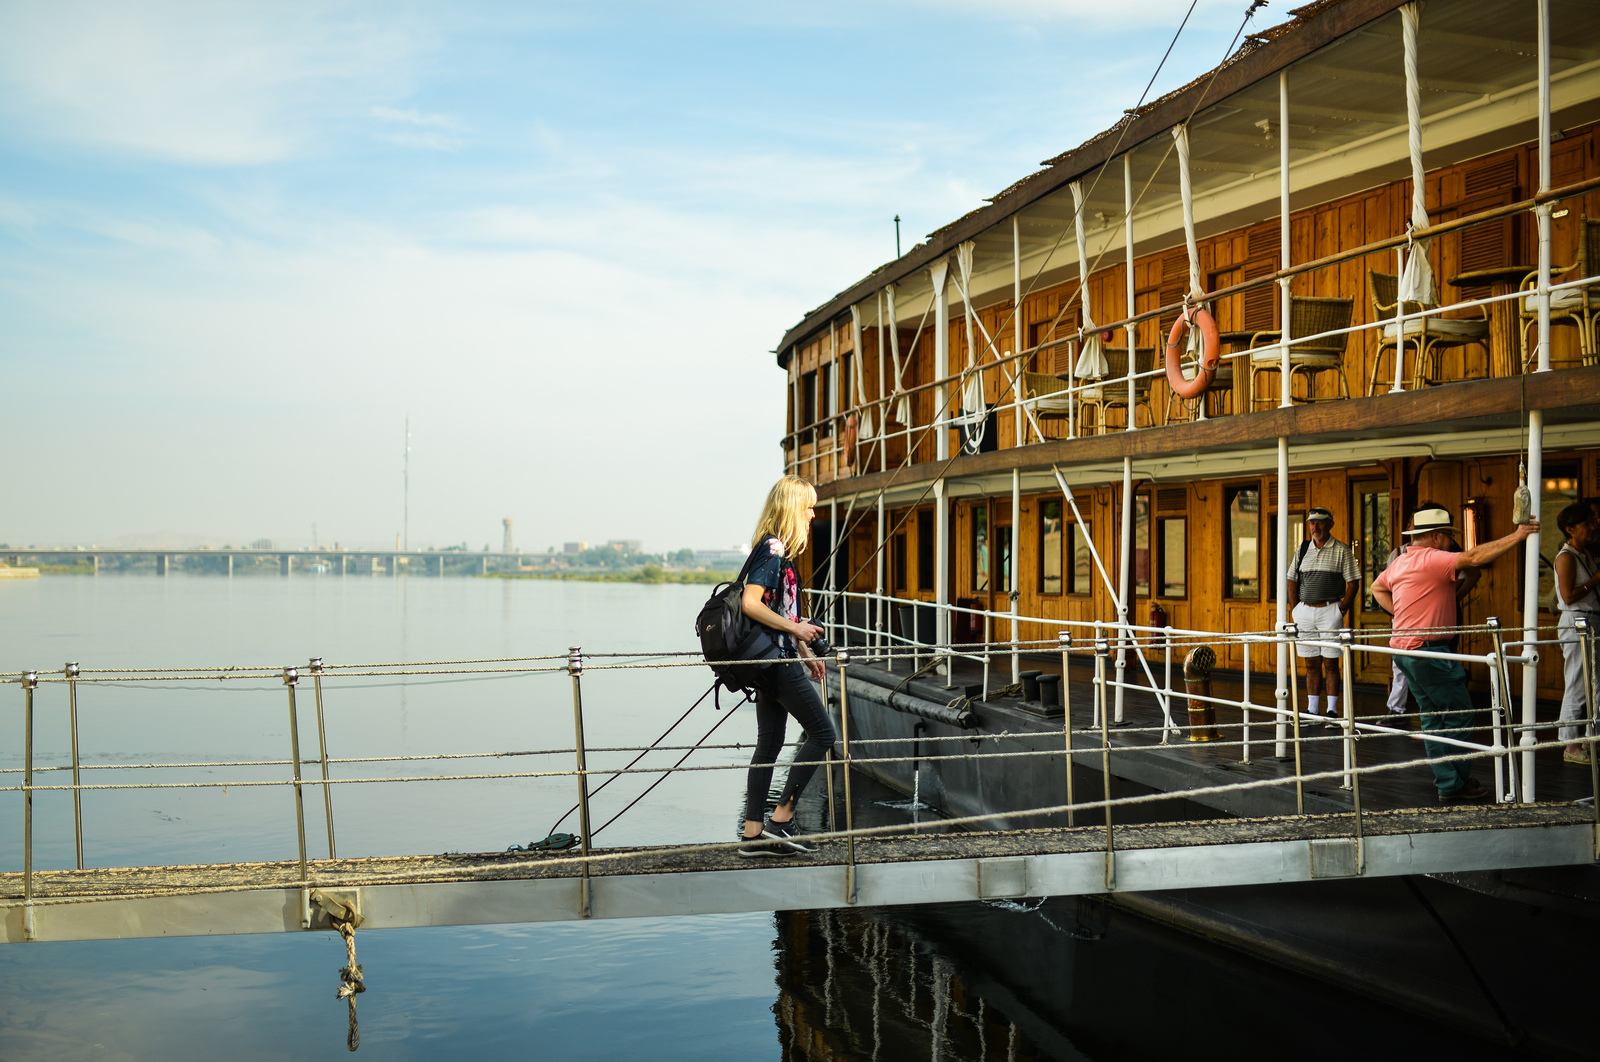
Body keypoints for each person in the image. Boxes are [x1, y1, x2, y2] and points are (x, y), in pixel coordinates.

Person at [1371, 505, 1538, 803]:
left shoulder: (1401, 561)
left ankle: (1448, 780)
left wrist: (1402, 613)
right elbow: (1473, 559)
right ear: (1436, 537)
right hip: (1428, 650)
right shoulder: (1433, 558)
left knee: (1433, 718)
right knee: (1461, 715)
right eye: (1448, 536)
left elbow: (1377, 587)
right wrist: (1518, 535)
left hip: (1404, 649)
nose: (1450, 542)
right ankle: (1454, 782)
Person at [737, 475, 837, 857]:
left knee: (769, 744)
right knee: (824, 735)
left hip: (774, 659)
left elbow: (779, 610)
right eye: (808, 507)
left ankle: (752, 835)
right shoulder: (773, 549)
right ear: (793, 509)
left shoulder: (778, 552)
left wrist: (805, 652)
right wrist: (797, 630)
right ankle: (781, 819)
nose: (813, 514)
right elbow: (751, 603)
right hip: (775, 663)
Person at [1384, 501, 1480, 719]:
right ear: (1436, 535)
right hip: (1414, 630)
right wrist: (1399, 610)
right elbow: (1380, 587)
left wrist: (1452, 597)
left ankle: (1432, 722)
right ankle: (1397, 708)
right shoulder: (1399, 555)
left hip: (1434, 622)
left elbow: (1474, 571)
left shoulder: (1448, 551)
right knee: (1457, 713)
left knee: (1432, 697)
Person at [1285, 506, 1360, 728]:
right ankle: (1312, 710)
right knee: (1310, 663)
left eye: (1319, 522)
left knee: (1330, 662)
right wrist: (1295, 608)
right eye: (1311, 522)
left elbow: (1353, 583)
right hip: (1305, 611)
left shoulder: (1342, 550)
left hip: (1330, 610)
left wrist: (1341, 609)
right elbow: (1291, 579)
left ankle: (1331, 712)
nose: (1315, 526)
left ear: (1330, 524)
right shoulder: (1303, 548)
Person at [1553, 501, 1600, 766]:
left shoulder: (1585, 554)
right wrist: (1595, 580)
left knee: (1593, 682)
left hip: (1591, 619)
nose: (1592, 528)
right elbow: (1569, 596)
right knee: (1577, 682)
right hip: (1577, 620)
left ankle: (1589, 738)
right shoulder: (1567, 556)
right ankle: (1570, 742)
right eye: (1586, 524)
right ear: (1571, 528)